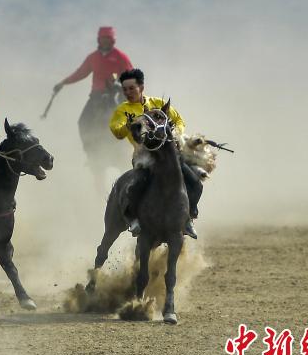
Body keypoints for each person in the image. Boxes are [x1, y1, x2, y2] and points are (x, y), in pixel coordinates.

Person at [108, 68, 201, 239]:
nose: (128, 92)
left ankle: (187, 219)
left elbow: (179, 120)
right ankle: (134, 219)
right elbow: (117, 131)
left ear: (141, 87)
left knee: (196, 184)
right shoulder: (122, 110)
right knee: (134, 187)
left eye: (132, 88)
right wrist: (126, 127)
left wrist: (177, 133)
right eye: (125, 89)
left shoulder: (158, 103)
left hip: (169, 157)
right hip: (144, 159)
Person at [52, 27, 133, 178]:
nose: (105, 41)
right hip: (96, 97)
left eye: (108, 39)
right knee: (82, 122)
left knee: (126, 121)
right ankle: (91, 152)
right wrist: (63, 82)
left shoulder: (120, 57)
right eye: (103, 39)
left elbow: (132, 75)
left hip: (115, 95)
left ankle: (128, 149)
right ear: (99, 40)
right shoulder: (93, 57)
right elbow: (81, 72)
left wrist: (121, 86)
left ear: (112, 40)